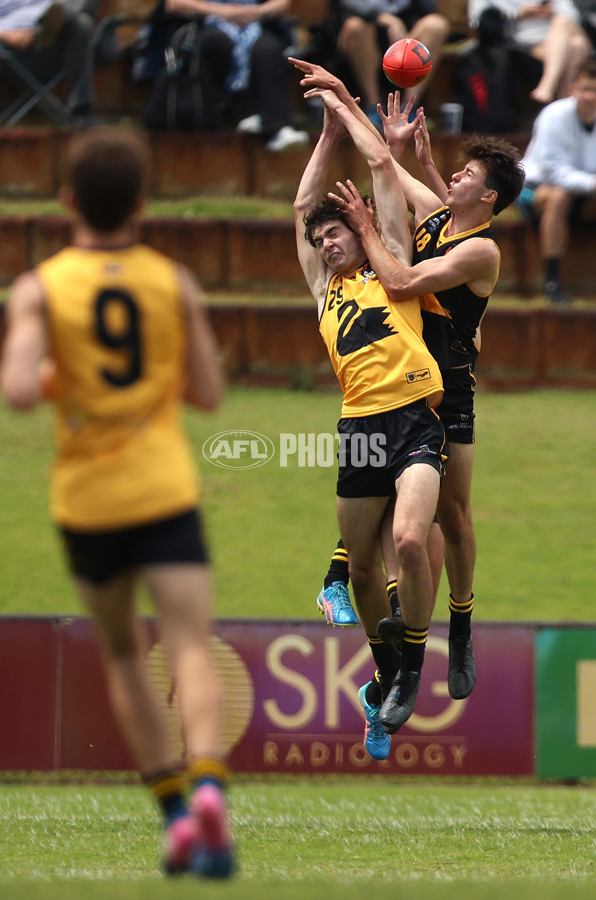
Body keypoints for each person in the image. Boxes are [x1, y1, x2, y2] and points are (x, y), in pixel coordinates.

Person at [0, 126, 234, 879]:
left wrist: (64, 382)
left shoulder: (41, 287)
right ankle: (208, 787)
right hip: (163, 487)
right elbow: (207, 392)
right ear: (143, 203)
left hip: (88, 502)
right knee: (190, 646)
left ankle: (172, 815)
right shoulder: (173, 282)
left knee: (126, 652)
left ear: (65, 200)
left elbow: (16, 392)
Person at [290, 56, 525, 723]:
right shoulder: (431, 220)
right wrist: (381, 144)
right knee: (388, 527)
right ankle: (360, 594)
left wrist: (345, 109)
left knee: (445, 521)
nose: (452, 174)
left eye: (466, 175)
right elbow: (392, 186)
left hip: (445, 390)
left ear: (486, 197)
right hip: (377, 406)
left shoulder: (478, 250)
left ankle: (458, 629)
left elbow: (402, 278)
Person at [294, 83, 447, 757]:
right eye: (321, 239)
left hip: (415, 421)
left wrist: (353, 117)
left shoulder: (391, 262)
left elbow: (385, 172)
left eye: (336, 232)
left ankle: (409, 667)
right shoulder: (325, 292)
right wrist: (328, 132)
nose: (328, 243)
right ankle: (381, 690)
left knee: (410, 545)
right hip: (359, 432)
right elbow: (302, 204)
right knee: (361, 574)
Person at [162, 0, 309, 150]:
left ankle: (279, 128)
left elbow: (282, 4)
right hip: (208, 24)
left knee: (268, 48)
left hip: (253, 25)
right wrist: (220, 11)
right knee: (217, 43)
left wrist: (255, 12)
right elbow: (174, 4)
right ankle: (243, 111)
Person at [517, 53, 596, 304]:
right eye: (585, 89)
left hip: (585, 193)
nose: (590, 97)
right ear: (573, 88)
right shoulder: (553, 115)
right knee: (559, 196)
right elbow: (554, 172)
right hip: (535, 189)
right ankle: (552, 282)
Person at [334, 0, 449, 126]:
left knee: (436, 25)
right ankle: (374, 107)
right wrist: (382, 17)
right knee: (355, 26)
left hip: (403, 39)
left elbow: (429, 9)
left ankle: (408, 108)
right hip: (366, 37)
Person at [467, 0, 591, 104]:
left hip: (558, 37)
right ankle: (565, 103)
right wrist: (517, 14)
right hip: (522, 43)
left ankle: (548, 87)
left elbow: (573, 15)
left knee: (568, 30)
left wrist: (552, 11)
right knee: (578, 45)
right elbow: (477, 21)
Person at [0, 0, 96, 125]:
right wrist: (4, 34)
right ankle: (50, 29)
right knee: (71, 18)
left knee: (81, 24)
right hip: (10, 50)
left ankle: (81, 110)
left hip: (50, 45)